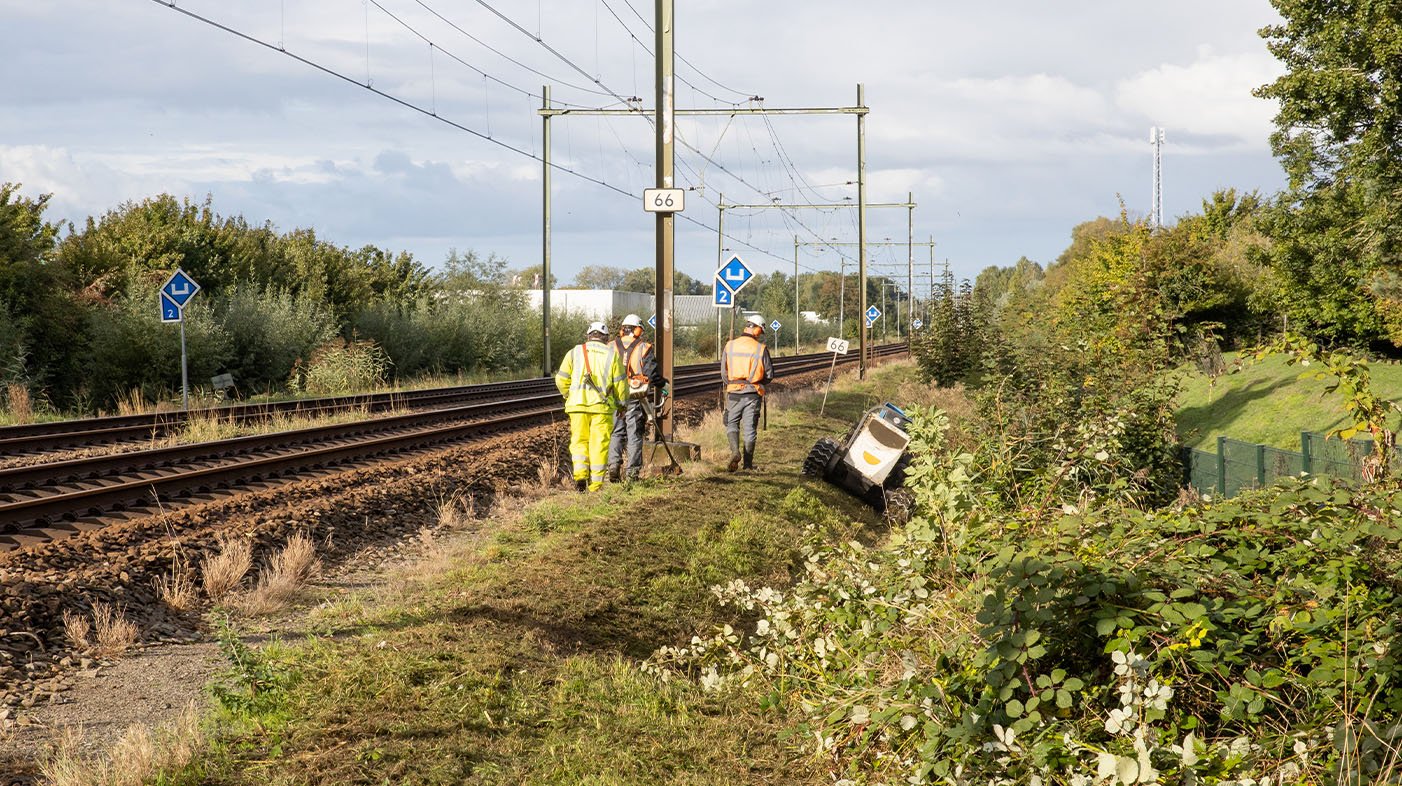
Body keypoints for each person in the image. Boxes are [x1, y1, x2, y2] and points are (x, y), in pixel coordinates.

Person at [555, 321, 628, 491]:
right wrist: (622, 405)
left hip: (577, 406)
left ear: (588, 336)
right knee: (598, 444)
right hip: (601, 408)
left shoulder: (574, 352)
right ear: (606, 338)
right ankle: (595, 485)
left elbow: (560, 379)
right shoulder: (612, 355)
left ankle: (580, 478)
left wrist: (568, 394)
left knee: (579, 441)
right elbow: (620, 385)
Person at [607, 314, 664, 482]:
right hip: (633, 394)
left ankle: (613, 465)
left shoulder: (610, 346)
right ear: (638, 330)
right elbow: (651, 374)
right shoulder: (644, 347)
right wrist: (659, 383)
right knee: (634, 433)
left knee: (616, 432)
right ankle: (632, 472)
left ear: (622, 329)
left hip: (613, 395)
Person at [721, 313, 774, 472]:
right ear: (756, 328)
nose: (761, 334)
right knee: (750, 428)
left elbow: (724, 373)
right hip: (753, 393)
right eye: (761, 330)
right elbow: (769, 375)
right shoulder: (760, 348)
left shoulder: (729, 345)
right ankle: (748, 465)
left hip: (733, 393)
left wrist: (733, 384)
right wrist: (757, 383)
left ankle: (735, 452)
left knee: (732, 423)